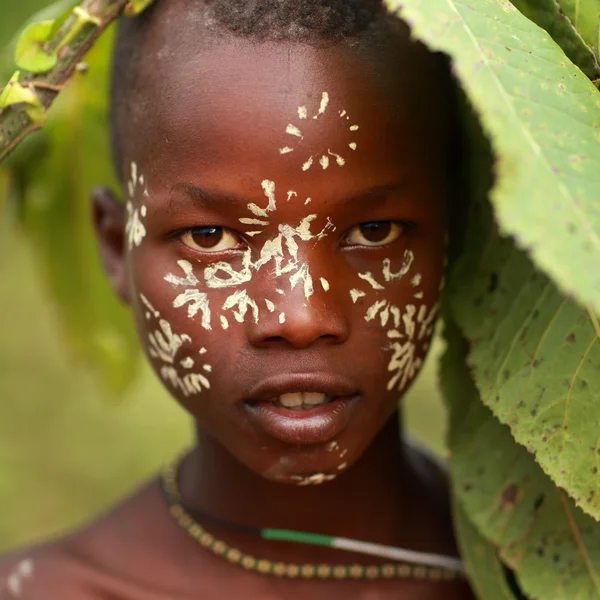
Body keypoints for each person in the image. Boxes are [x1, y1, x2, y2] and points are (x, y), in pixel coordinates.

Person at [0, 0, 474, 597]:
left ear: (457, 233)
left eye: (373, 233)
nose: (301, 318)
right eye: (210, 238)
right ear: (118, 247)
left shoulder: (550, 575)